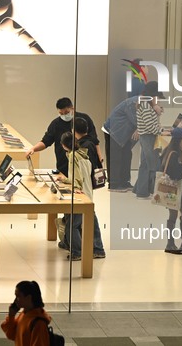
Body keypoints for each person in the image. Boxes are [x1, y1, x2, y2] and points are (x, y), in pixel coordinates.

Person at [57, 131, 106, 260]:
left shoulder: (73, 155)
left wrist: (75, 187)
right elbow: (80, 175)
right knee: (90, 221)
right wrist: (66, 180)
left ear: (63, 145)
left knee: (72, 225)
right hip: (88, 193)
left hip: (81, 196)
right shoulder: (83, 154)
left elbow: (77, 177)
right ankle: (98, 249)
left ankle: (77, 252)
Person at [25, 97, 101, 176]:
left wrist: (99, 159)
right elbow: (46, 141)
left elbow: (94, 140)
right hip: (63, 166)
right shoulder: (56, 124)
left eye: (67, 112)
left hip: (83, 164)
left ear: (72, 108)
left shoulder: (83, 119)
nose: (64, 115)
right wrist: (33, 149)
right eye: (61, 113)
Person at [159, 127, 182, 254]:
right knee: (181, 214)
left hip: (171, 190)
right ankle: (172, 244)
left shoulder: (169, 150)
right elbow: (175, 173)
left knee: (180, 214)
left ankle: (181, 242)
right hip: (174, 190)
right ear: (179, 140)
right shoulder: (175, 153)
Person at [133, 81, 164, 199]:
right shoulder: (145, 105)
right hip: (148, 136)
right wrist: (161, 131)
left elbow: (152, 121)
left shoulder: (147, 104)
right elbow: (150, 125)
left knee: (146, 163)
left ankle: (140, 190)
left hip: (147, 136)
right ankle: (148, 191)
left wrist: (157, 109)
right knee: (153, 165)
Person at [102, 95, 139, 192]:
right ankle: (114, 184)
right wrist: (139, 128)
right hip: (113, 131)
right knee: (115, 157)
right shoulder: (132, 103)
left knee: (127, 156)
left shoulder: (145, 104)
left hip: (124, 134)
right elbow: (135, 119)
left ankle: (124, 181)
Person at [0, 280, 51, 346]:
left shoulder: (39, 323)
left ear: (28, 298)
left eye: (18, 296)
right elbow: (11, 335)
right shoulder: (24, 314)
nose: (15, 300)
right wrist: (11, 316)